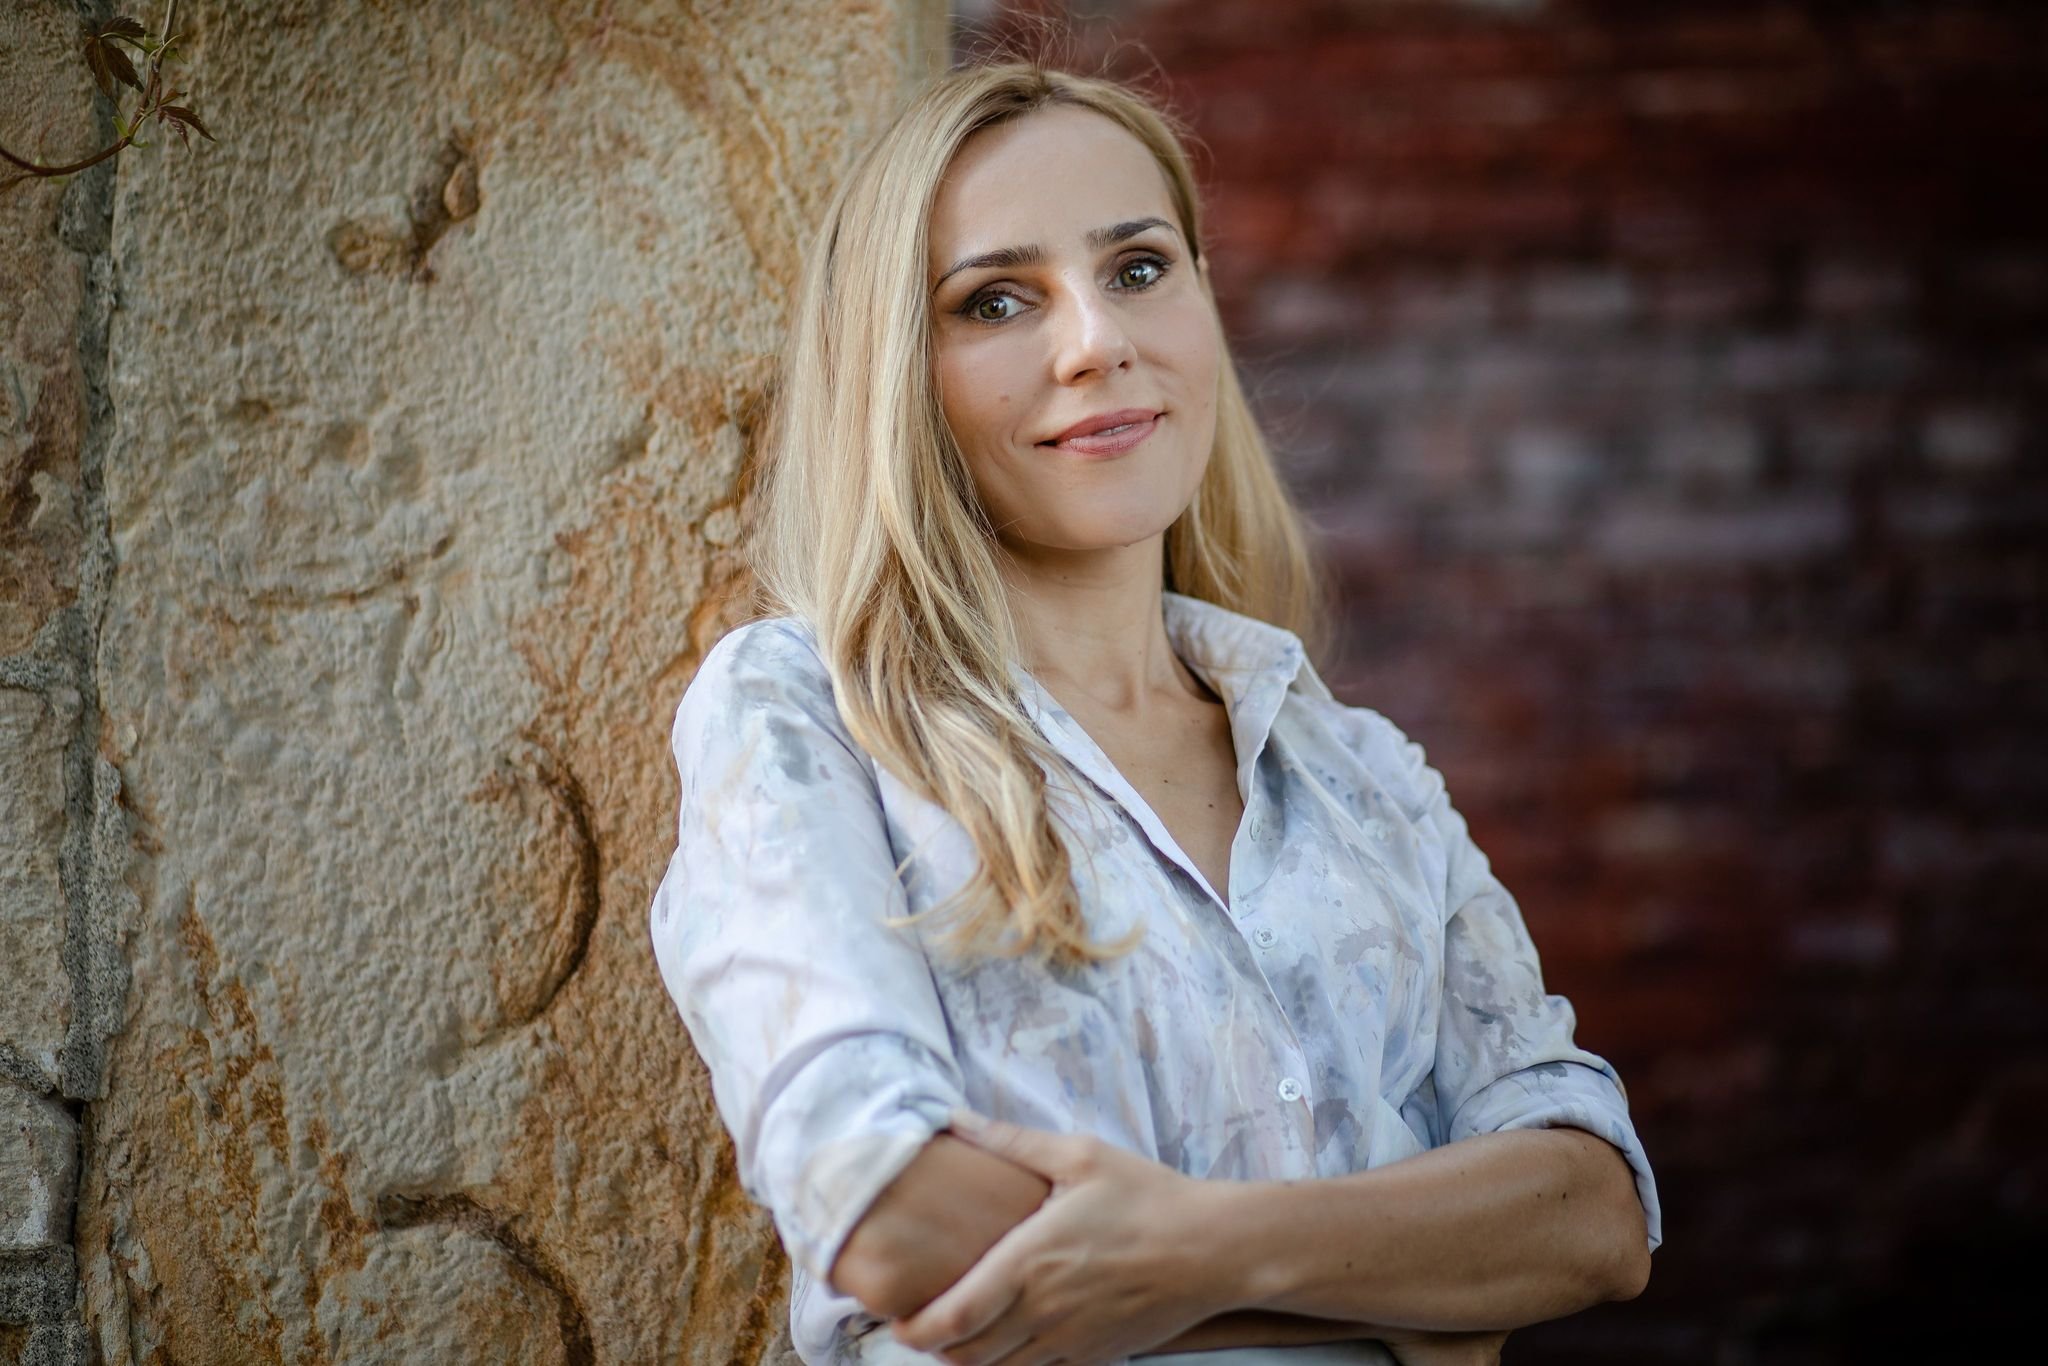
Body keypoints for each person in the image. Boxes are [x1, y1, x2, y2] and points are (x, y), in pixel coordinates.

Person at [647, 56, 1662, 1366]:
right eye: (996, 299)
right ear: (903, 373)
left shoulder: (1359, 769)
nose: (1096, 342)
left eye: (1138, 268)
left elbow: (1591, 1213)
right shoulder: (808, 718)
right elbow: (884, 1210)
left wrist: (1192, 1255)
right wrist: (1413, 1280)